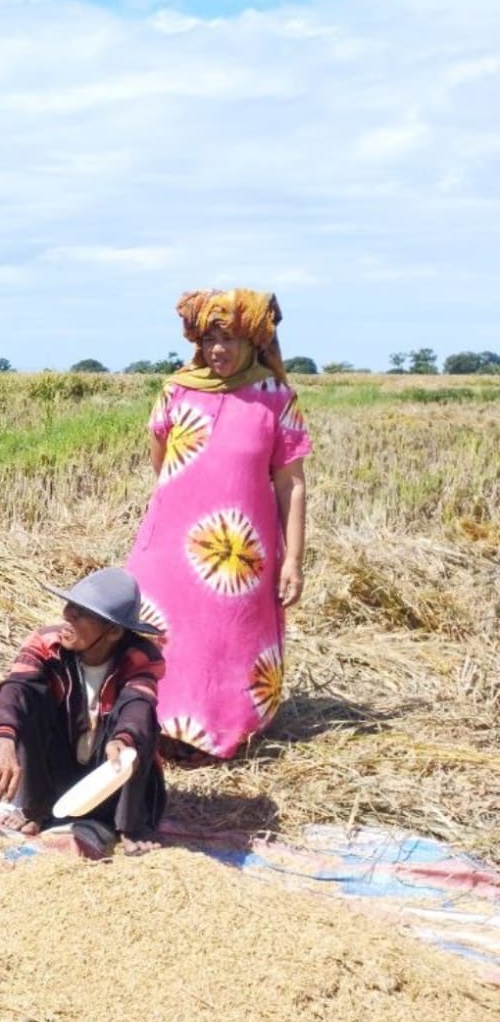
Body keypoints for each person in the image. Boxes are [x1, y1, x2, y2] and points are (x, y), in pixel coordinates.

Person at [125, 289, 310, 762]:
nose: (218, 350)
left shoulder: (276, 398)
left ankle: (223, 733)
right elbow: (164, 465)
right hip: (169, 543)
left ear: (253, 342)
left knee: (229, 636)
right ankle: (156, 727)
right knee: (163, 632)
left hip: (239, 551)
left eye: (229, 340)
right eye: (209, 340)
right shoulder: (176, 392)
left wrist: (293, 558)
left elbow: (291, 484)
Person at [0, 567, 167, 853]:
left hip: (110, 777)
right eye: (70, 606)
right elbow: (16, 690)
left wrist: (124, 740)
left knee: (143, 725)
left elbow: (138, 704)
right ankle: (36, 807)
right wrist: (4, 740)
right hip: (60, 773)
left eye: (81, 613)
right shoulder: (47, 644)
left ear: (114, 631)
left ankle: (130, 823)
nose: (67, 615)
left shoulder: (140, 657)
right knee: (30, 702)